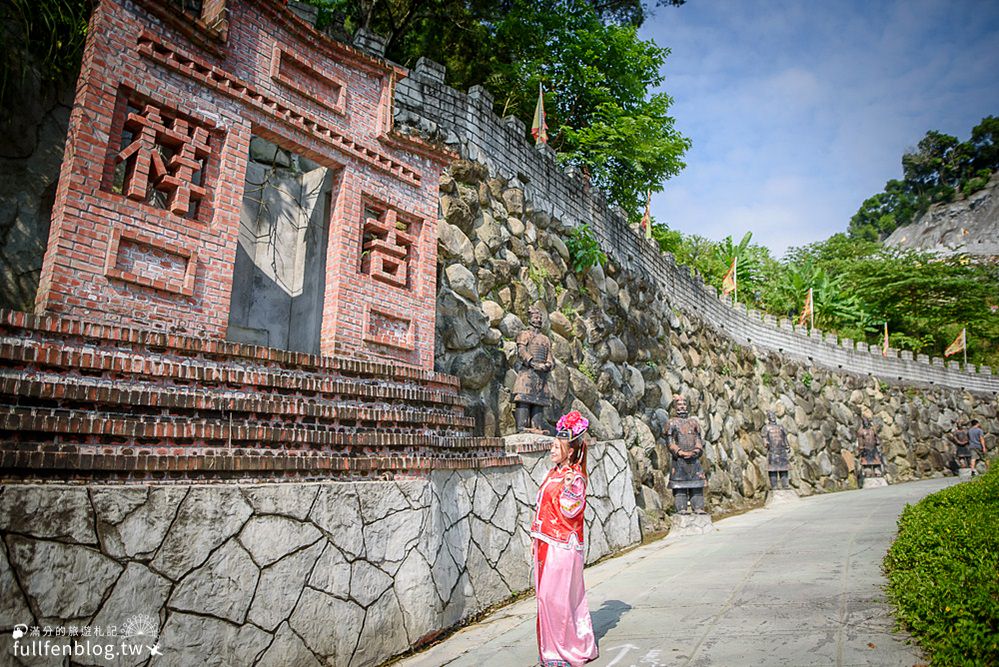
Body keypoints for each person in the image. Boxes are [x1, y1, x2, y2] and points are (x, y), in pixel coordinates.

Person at [530, 410, 599, 667]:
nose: (551, 449)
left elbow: (571, 510)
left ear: (570, 450)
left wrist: (570, 486)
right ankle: (551, 651)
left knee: (555, 599)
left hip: (563, 544)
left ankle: (565, 650)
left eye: (556, 445)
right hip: (546, 542)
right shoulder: (553, 473)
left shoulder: (575, 476)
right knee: (546, 599)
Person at [666, 394, 707, 513]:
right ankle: (681, 508)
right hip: (679, 461)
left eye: (684, 404)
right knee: (680, 487)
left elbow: (698, 439)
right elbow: (670, 442)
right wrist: (680, 452)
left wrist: (696, 450)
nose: (682, 407)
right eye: (679, 404)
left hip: (694, 460)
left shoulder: (693, 422)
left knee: (697, 486)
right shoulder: (671, 423)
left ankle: (698, 507)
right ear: (674, 407)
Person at [761, 410, 791, 489]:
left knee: (784, 469)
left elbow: (784, 437)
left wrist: (787, 446)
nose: (772, 417)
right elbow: (764, 437)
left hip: (782, 450)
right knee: (773, 469)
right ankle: (774, 486)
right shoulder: (766, 428)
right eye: (770, 416)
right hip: (772, 451)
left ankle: (785, 485)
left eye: (773, 415)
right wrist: (766, 443)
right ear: (768, 418)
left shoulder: (780, 427)